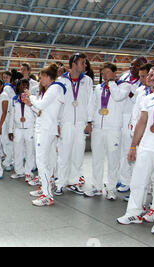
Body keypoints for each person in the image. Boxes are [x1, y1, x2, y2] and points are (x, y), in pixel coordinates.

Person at [117, 63, 154, 236]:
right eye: (151, 74)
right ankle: (133, 213)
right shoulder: (149, 98)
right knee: (137, 183)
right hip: (146, 147)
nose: (152, 77)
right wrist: (133, 145)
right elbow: (142, 123)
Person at [84, 62, 130, 200]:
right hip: (98, 127)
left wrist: (112, 83)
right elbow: (92, 105)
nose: (104, 76)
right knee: (97, 159)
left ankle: (111, 188)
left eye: (108, 73)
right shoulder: (98, 88)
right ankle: (96, 187)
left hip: (114, 129)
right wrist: (90, 122)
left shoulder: (124, 86)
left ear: (115, 73)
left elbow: (117, 97)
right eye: (103, 74)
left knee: (113, 160)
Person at [23, 63, 65, 207]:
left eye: (42, 78)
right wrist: (30, 104)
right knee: (45, 161)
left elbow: (40, 105)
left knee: (42, 162)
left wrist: (31, 96)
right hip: (44, 128)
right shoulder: (50, 90)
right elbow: (40, 111)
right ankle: (45, 187)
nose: (40, 81)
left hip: (46, 130)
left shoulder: (55, 88)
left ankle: (47, 195)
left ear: (48, 77)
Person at [54, 53, 93, 196]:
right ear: (74, 64)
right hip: (66, 123)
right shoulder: (61, 80)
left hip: (81, 124)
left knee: (78, 155)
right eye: (83, 62)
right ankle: (60, 183)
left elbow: (90, 102)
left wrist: (89, 122)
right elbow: (57, 103)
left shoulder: (87, 80)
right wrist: (57, 122)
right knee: (64, 154)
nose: (85, 65)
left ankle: (73, 182)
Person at [117, 57, 147, 193]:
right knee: (122, 150)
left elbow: (134, 98)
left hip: (134, 118)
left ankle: (131, 182)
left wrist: (130, 93)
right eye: (131, 65)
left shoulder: (144, 83)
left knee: (131, 151)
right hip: (122, 116)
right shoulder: (125, 76)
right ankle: (123, 178)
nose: (132, 68)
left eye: (136, 66)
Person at [8, 78, 37, 182]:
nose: (25, 87)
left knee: (29, 151)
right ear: (18, 87)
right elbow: (11, 115)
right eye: (22, 85)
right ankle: (19, 171)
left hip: (29, 128)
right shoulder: (14, 99)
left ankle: (28, 172)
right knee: (17, 151)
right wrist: (10, 130)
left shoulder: (33, 99)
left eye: (26, 85)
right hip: (18, 128)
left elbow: (37, 112)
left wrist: (30, 102)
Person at [0, 71, 15, 172]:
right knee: (5, 140)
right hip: (6, 116)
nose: (5, 79)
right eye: (3, 77)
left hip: (7, 116)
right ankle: (8, 159)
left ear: (10, 78)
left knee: (6, 140)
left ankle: (8, 162)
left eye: (6, 77)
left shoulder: (7, 88)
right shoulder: (6, 89)